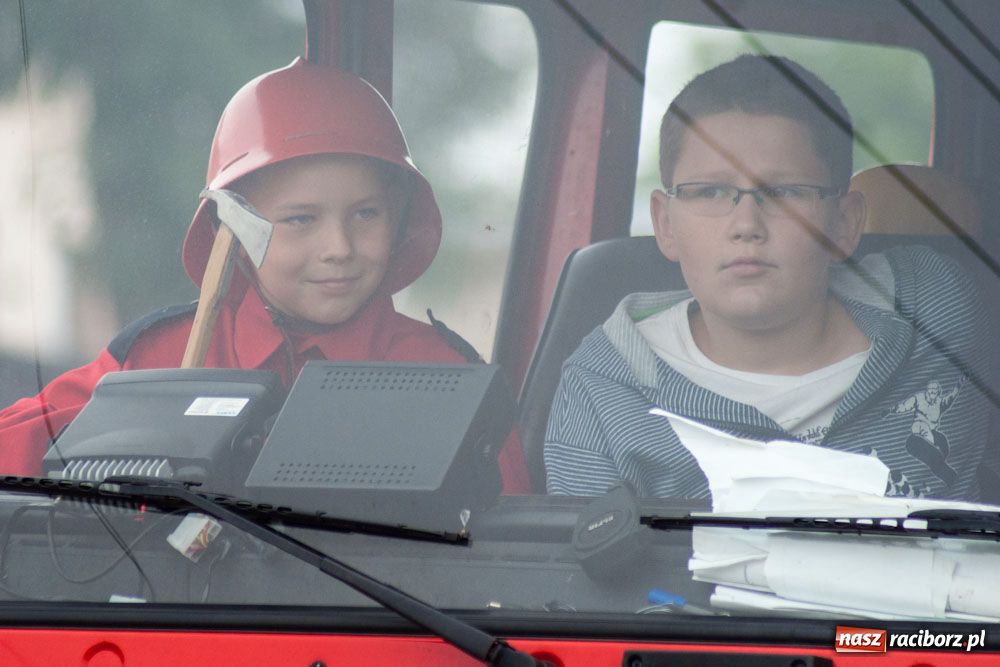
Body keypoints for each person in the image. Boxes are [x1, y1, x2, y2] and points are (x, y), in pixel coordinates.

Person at [0, 58, 529, 493]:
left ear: (399, 217)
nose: (338, 249)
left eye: (366, 214)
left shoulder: (449, 379)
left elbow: (512, 561)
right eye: (301, 220)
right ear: (233, 228)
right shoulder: (151, 363)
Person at [544, 54, 990, 500]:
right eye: (710, 191)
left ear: (844, 223)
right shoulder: (602, 392)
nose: (746, 225)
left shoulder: (938, 308)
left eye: (785, 192)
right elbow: (581, 566)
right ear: (664, 223)